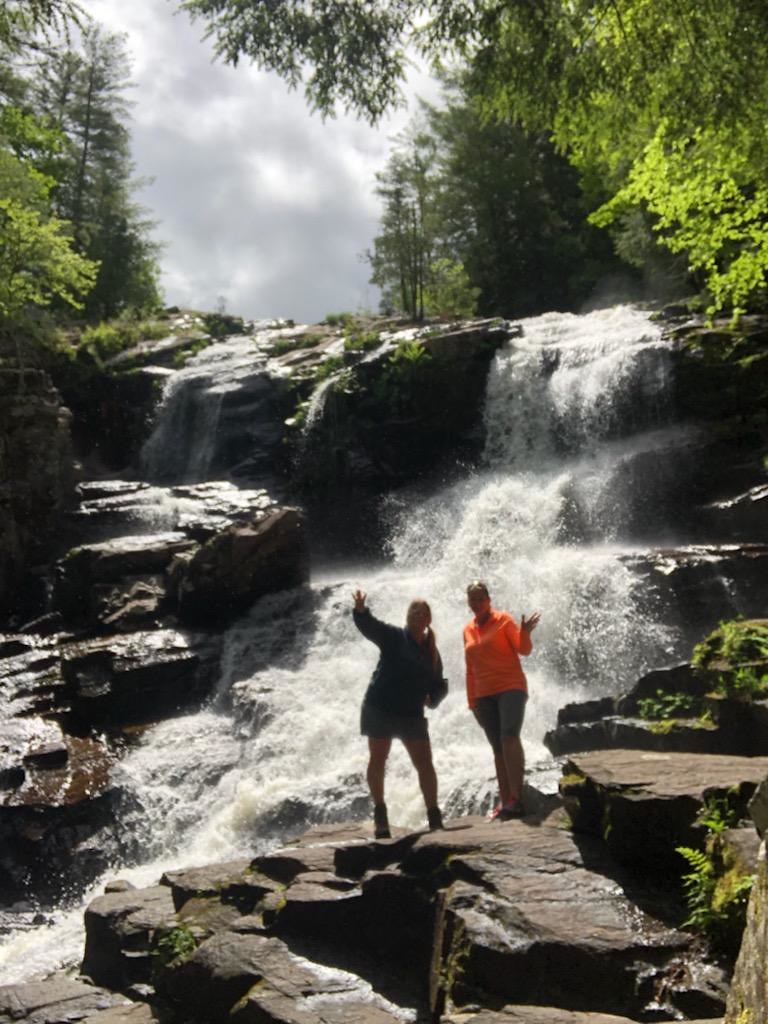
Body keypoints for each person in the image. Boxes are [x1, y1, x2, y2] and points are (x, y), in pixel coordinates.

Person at [352, 589, 446, 839]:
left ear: (428, 619)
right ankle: (380, 814)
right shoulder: (393, 636)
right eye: (414, 611)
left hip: (411, 713)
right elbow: (371, 627)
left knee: (424, 763)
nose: (419, 615)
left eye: (423, 612)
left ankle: (434, 815)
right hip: (380, 707)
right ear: (408, 617)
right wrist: (361, 611)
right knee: (378, 759)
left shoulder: (432, 651)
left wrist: (433, 698)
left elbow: (439, 684)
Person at [463, 580, 540, 820]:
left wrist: (525, 633)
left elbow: (523, 650)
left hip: (510, 687)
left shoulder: (504, 620)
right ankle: (506, 801)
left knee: (509, 737)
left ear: (489, 600)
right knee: (497, 747)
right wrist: (472, 701)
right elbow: (470, 669)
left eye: (480, 598)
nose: (476, 603)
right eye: (472, 599)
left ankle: (516, 798)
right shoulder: (467, 629)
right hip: (483, 695)